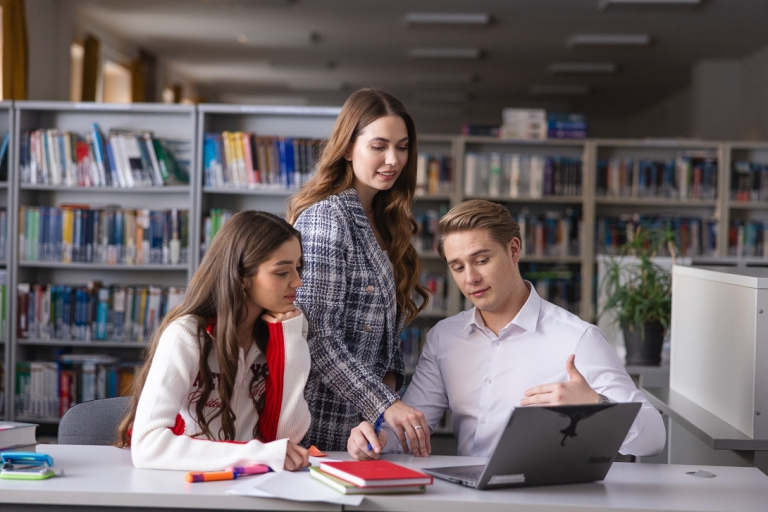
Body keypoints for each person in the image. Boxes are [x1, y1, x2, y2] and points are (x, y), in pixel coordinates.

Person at [347, 200, 667, 459]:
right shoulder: (444, 338)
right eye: (457, 267)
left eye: (481, 260)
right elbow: (412, 428)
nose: (469, 278)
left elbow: (653, 437)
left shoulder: (577, 338)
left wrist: (596, 406)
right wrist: (376, 438)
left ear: (514, 250)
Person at [287, 88, 431, 454]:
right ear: (348, 148)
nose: (393, 159)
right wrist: (384, 403)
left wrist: (385, 400)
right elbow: (316, 335)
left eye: (402, 147)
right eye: (379, 146)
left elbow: (384, 336)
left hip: (365, 425)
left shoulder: (386, 220)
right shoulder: (326, 217)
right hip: (320, 421)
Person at [116, 210, 311, 472]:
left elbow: (285, 437)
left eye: (297, 268)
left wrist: (289, 338)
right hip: (186, 483)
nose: (298, 282)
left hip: (253, 483)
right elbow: (148, 447)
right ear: (241, 276)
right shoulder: (187, 334)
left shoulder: (285, 330)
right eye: (282, 272)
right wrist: (256, 453)